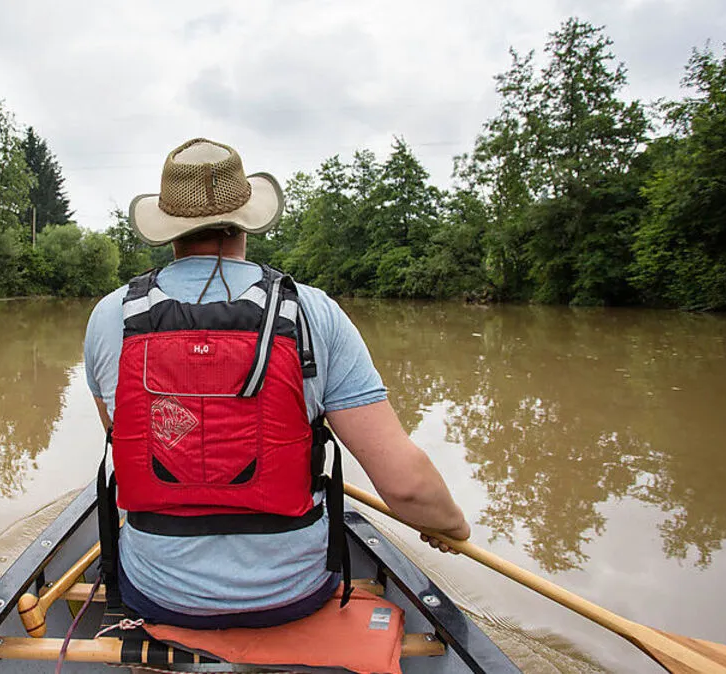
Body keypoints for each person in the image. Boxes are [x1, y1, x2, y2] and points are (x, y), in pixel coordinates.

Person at [83, 138, 469, 629]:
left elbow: (123, 438)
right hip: (293, 591)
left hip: (159, 589)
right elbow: (407, 488)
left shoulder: (109, 317)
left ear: (168, 229)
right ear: (246, 217)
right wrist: (450, 524)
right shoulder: (314, 312)